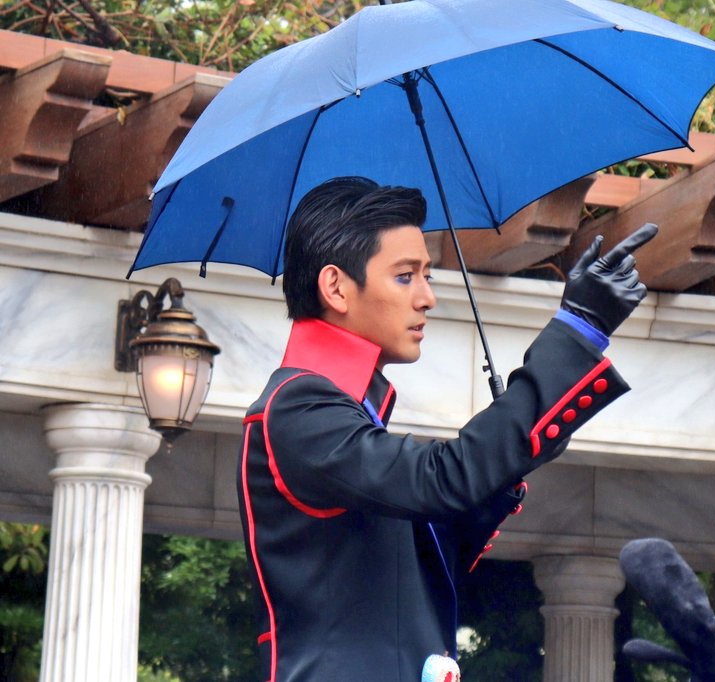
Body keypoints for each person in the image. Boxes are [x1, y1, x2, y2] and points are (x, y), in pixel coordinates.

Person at [236, 176, 657, 681]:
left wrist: (515, 443)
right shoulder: (298, 406)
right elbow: (442, 480)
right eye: (405, 277)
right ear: (336, 287)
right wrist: (579, 328)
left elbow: (424, 559)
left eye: (427, 275)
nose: (427, 297)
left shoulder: (339, 410)